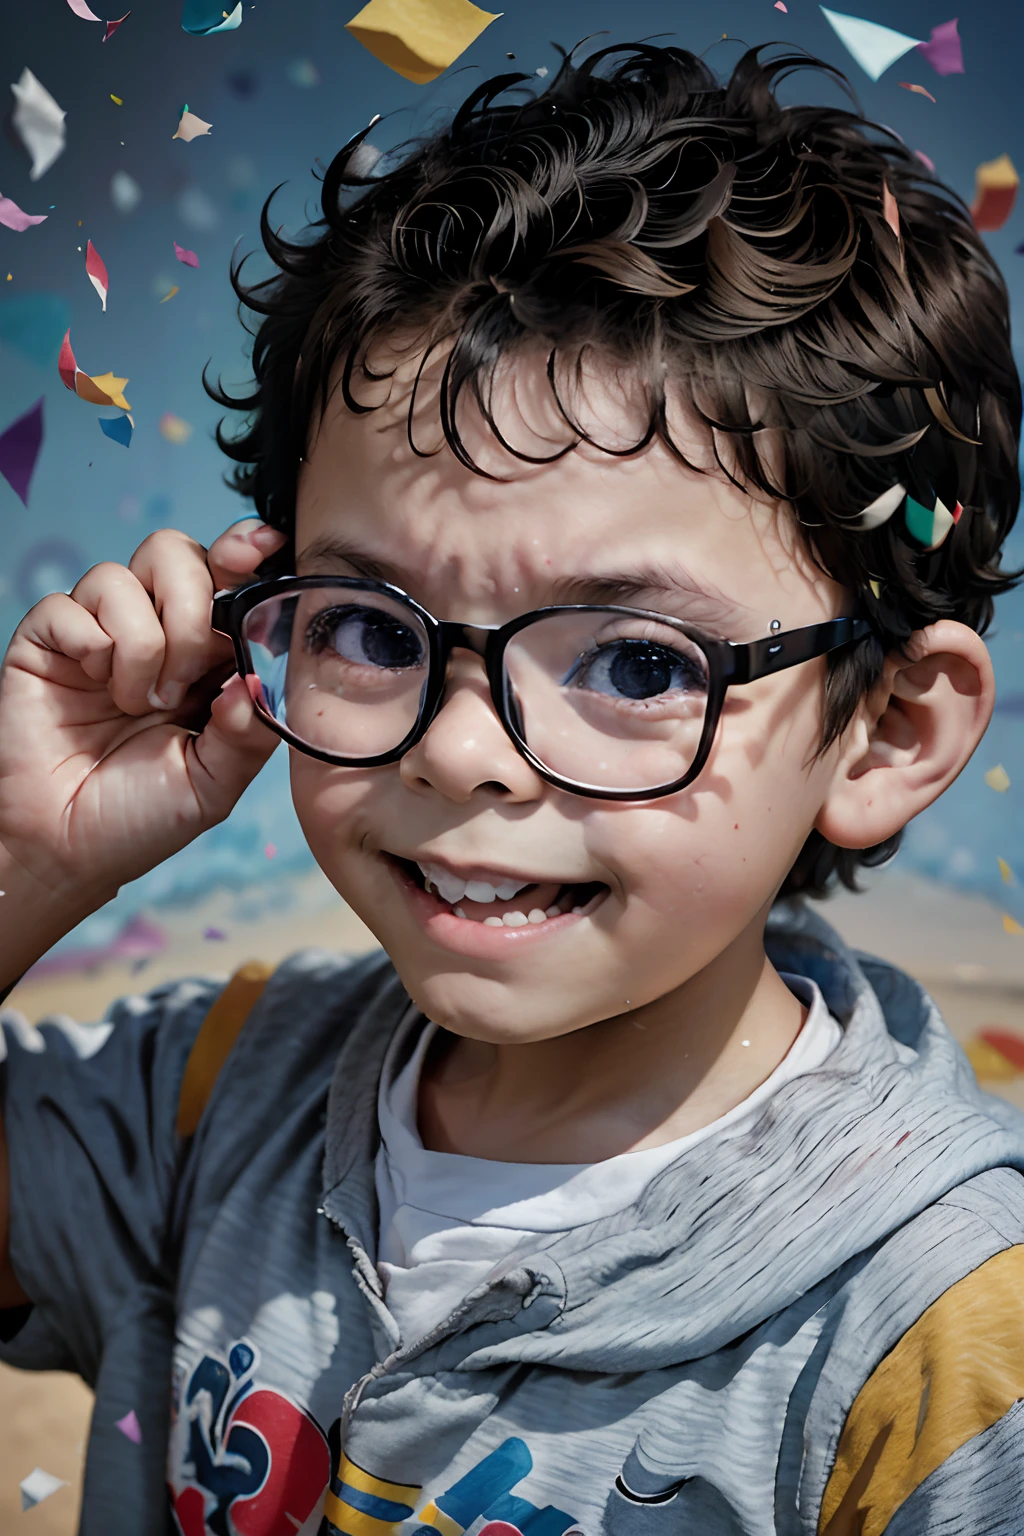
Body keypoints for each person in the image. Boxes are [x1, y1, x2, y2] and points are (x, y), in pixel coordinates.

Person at [0, 39, 1022, 1536]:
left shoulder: (939, 1347)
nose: (460, 749)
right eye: (364, 626)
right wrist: (26, 858)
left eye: (633, 662)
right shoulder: (212, 1104)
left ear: (885, 731)